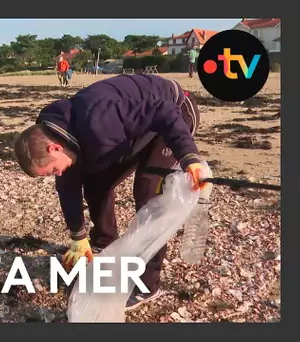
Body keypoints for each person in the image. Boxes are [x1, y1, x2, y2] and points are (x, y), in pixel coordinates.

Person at [13, 74, 212, 310]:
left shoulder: (100, 119)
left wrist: (189, 156)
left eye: (52, 169)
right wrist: (78, 237)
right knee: (96, 185)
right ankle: (102, 244)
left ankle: (148, 284)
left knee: (148, 190)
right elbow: (67, 185)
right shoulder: (58, 135)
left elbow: (163, 110)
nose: (56, 174)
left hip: (173, 111)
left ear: (55, 148)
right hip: (133, 132)